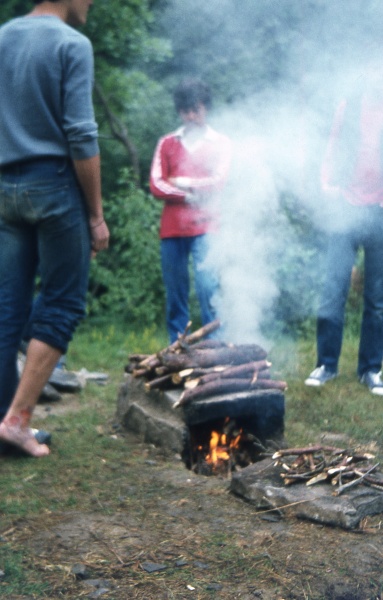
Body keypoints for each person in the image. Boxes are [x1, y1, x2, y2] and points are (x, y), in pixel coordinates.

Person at [0, 0, 109, 457]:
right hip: (55, 185)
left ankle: (3, 421)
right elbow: (81, 134)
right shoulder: (72, 44)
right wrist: (97, 216)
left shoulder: (3, 36)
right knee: (62, 302)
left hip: (5, 187)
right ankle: (16, 421)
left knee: (7, 306)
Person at [305, 62, 383, 394]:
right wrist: (326, 184)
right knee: (332, 291)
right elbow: (332, 149)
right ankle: (326, 365)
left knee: (378, 299)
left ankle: (370, 370)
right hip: (345, 208)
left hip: (379, 211)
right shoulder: (348, 108)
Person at [150, 78, 231, 342]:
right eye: (185, 110)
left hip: (207, 226)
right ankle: (178, 349)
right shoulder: (167, 143)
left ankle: (215, 349)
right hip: (171, 230)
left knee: (209, 289)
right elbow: (156, 185)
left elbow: (218, 184)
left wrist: (181, 183)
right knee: (176, 293)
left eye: (196, 109)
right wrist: (193, 193)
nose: (191, 116)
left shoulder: (220, 142)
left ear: (205, 108)